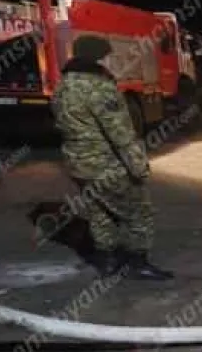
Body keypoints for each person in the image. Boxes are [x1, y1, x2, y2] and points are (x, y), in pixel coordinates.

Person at [52, 35, 173, 280]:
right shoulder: (100, 88)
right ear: (97, 57)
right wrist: (138, 167)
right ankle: (138, 263)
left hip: (77, 164)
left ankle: (107, 261)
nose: (109, 60)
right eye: (107, 55)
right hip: (105, 165)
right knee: (139, 212)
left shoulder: (62, 86)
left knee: (99, 212)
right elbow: (121, 134)